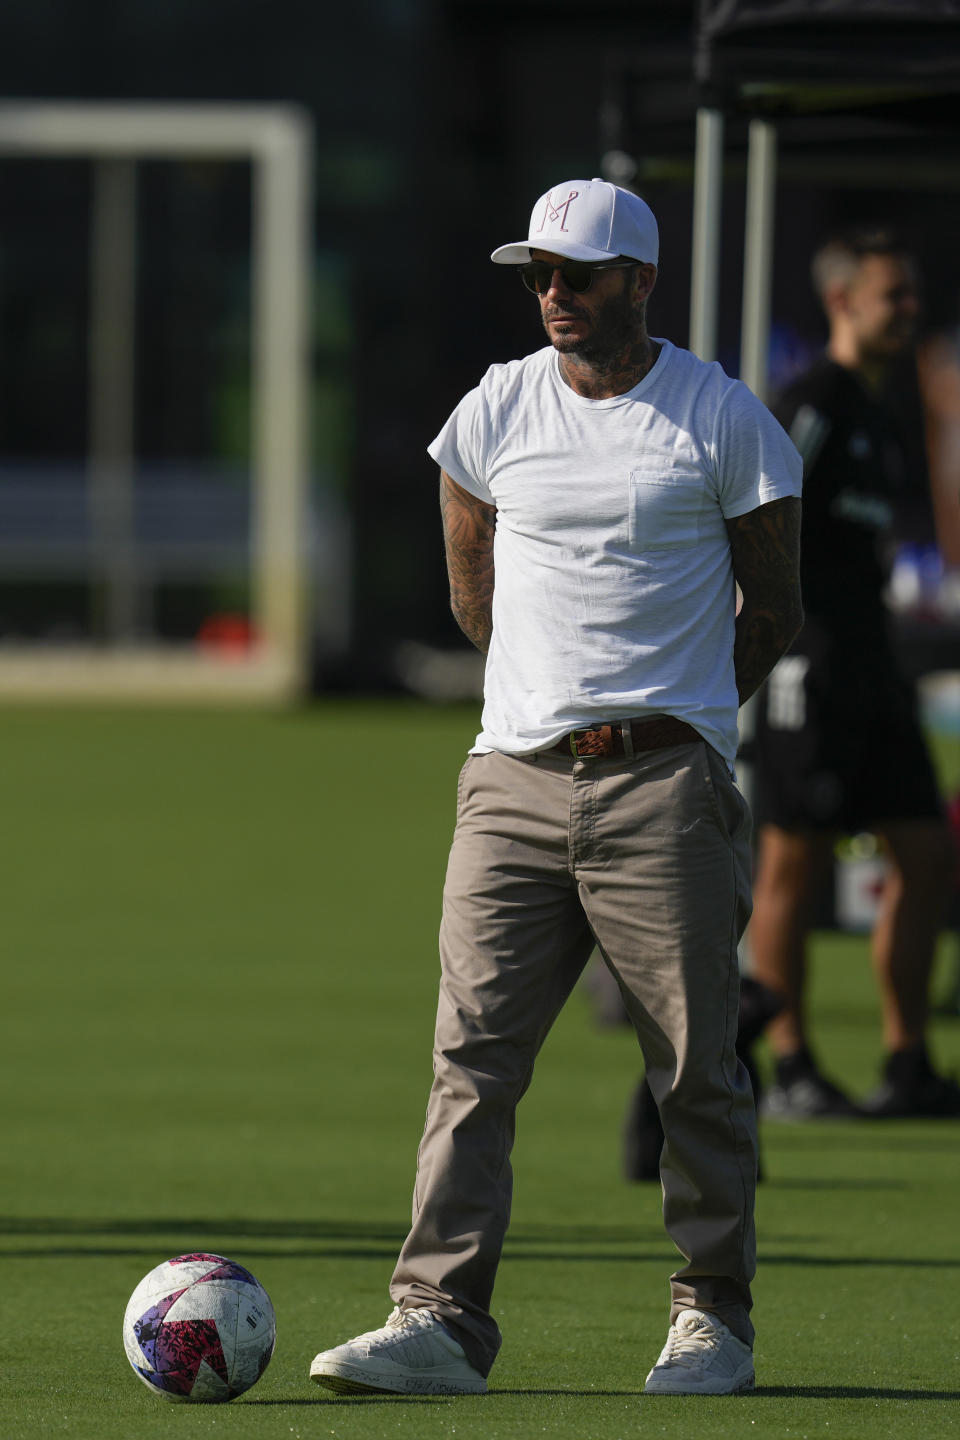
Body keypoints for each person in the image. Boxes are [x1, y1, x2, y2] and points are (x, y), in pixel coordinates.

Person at [310, 177, 803, 1398]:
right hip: (512, 785)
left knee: (694, 1064)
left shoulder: (720, 416)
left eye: (578, 274)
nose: (554, 294)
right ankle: (438, 1321)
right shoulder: (495, 408)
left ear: (641, 279)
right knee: (470, 1057)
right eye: (539, 273)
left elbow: (775, 607)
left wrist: (682, 728)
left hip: (663, 790)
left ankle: (713, 1319)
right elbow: (470, 569)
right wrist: (536, 706)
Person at [748, 226, 960, 1121]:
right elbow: (751, 521)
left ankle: (907, 1057)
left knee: (926, 850)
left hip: (873, 666)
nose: (909, 312)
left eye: (912, 295)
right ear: (842, 302)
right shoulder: (808, 405)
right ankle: (790, 1062)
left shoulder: (879, 409)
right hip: (811, 666)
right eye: (893, 296)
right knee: (792, 864)